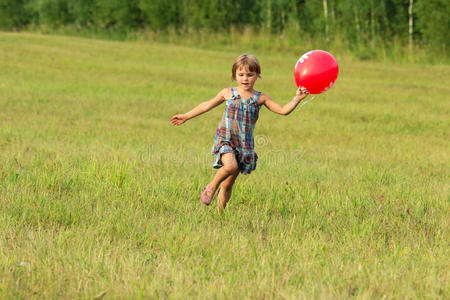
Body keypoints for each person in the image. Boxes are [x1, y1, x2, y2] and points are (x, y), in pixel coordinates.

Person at [170, 54, 309, 213]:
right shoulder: (227, 93)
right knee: (230, 165)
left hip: (244, 145)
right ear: (234, 75)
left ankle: (219, 215)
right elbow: (206, 105)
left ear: (257, 75)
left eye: (250, 75)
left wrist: (297, 99)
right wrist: (186, 116)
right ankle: (210, 188)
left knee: (228, 184)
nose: (245, 78)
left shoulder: (260, 98)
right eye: (241, 74)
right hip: (226, 140)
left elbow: (283, 111)